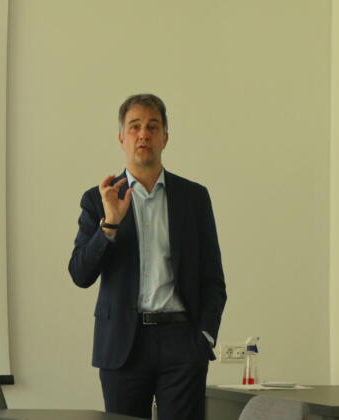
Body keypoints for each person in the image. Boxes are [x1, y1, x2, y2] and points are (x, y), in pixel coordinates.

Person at [68, 94, 226, 420]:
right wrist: (110, 224)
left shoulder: (194, 197)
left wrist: (205, 336)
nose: (144, 134)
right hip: (122, 344)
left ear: (165, 137)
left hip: (183, 341)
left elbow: (213, 278)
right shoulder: (98, 199)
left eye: (153, 127)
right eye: (135, 126)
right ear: (121, 138)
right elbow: (80, 275)